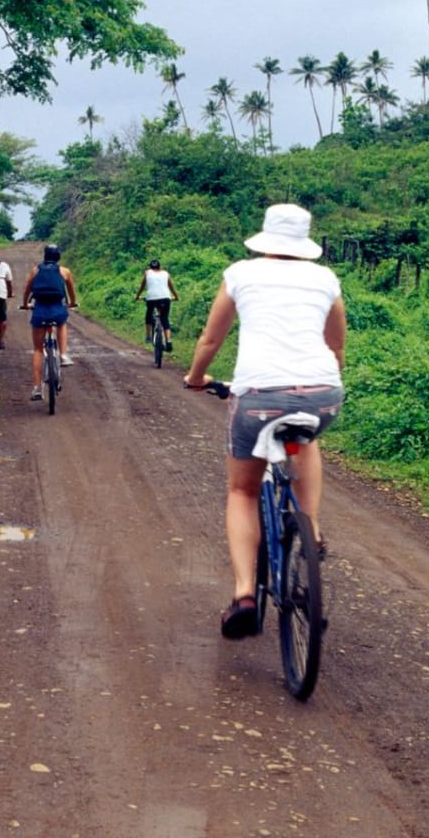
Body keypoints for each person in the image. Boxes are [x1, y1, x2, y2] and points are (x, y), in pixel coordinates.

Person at [181, 204, 346, 640]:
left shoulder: (241, 273)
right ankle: (311, 528)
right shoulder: (326, 279)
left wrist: (196, 378)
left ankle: (243, 596)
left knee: (243, 490)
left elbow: (211, 339)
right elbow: (336, 346)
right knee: (306, 438)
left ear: (265, 238)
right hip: (323, 393)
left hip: (258, 396)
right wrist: (321, 384)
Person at [20, 244, 79, 399]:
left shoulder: (35, 270)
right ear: (58, 256)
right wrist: (72, 303)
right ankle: (63, 355)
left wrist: (25, 304)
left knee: (38, 349)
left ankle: (37, 388)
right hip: (57, 308)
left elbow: (27, 290)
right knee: (61, 323)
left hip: (40, 309)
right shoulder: (64, 271)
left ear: (45, 256)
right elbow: (71, 291)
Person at [134, 258, 179, 351]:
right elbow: (171, 287)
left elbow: (142, 286)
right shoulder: (166, 273)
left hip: (151, 298)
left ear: (150, 267)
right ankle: (168, 341)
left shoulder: (147, 273)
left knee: (149, 315)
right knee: (165, 319)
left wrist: (137, 296)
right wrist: (176, 297)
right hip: (166, 298)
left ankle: (148, 336)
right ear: (160, 267)